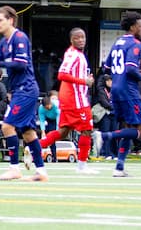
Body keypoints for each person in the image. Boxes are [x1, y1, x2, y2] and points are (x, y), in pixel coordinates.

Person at [0, 5, 48, 181]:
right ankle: (41, 172)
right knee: (28, 132)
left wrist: (2, 64)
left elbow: (21, 64)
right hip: (18, 90)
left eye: (0, 20)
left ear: (11, 20)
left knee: (7, 126)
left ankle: (14, 167)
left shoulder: (19, 38)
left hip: (26, 89)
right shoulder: (3, 42)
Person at [37, 28, 98, 173]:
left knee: (63, 132)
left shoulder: (77, 54)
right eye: (77, 38)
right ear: (71, 40)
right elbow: (62, 74)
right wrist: (83, 81)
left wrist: (86, 80)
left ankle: (34, 147)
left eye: (83, 37)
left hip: (72, 98)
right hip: (75, 100)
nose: (81, 40)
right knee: (87, 130)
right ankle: (82, 166)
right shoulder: (73, 54)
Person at [99, 10, 141, 177]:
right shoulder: (135, 44)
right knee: (139, 130)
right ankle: (104, 136)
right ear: (133, 26)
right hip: (128, 90)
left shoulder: (117, 42)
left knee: (128, 128)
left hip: (115, 89)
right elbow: (130, 68)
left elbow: (105, 68)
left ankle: (119, 167)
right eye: (140, 26)